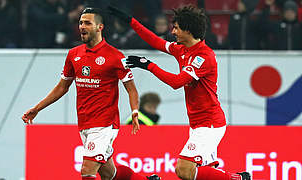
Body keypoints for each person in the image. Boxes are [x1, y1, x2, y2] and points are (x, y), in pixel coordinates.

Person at [109, 5, 251, 180]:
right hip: (198, 124)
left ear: (188, 30)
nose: (173, 31)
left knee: (183, 170)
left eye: (176, 27)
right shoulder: (182, 50)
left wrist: (148, 65)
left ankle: (239, 179)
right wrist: (130, 21)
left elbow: (177, 82)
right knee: (199, 174)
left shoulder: (203, 57)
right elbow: (155, 41)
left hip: (210, 124)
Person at [22, 7, 159, 180]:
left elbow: (131, 88)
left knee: (87, 171)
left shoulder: (115, 56)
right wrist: (37, 108)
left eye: (87, 23)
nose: (82, 26)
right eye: (80, 23)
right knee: (109, 173)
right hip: (84, 122)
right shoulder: (74, 54)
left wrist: (134, 112)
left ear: (99, 27)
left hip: (104, 124)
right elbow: (62, 87)